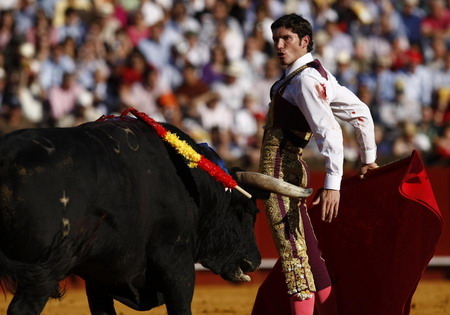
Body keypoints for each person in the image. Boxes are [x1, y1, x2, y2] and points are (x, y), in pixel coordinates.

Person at [255, 14, 378, 314]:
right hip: (291, 172)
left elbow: (331, 132)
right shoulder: (316, 74)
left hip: (279, 176)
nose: (279, 46)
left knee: (293, 254)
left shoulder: (305, 80)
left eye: (286, 39)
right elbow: (361, 112)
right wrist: (369, 159)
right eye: (275, 40)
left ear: (305, 41)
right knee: (308, 252)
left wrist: (333, 185)